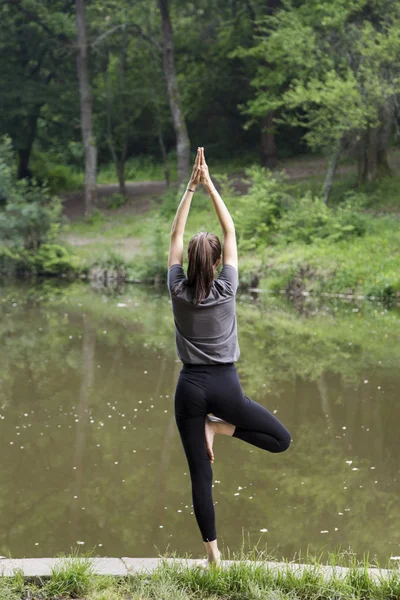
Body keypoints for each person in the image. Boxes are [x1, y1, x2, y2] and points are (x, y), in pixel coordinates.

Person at [167, 147, 291, 567]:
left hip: (188, 389)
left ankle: (214, 559)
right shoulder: (226, 289)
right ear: (219, 263)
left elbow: (173, 237)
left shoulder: (177, 290)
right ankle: (219, 429)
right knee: (281, 440)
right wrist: (209, 184)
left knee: (201, 477)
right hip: (224, 386)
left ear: (186, 263)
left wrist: (189, 189)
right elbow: (231, 228)